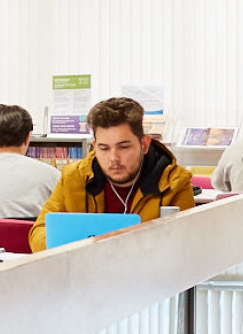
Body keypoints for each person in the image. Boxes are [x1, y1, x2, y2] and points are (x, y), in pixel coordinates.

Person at [29, 97, 196, 251]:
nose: (114, 158)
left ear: (144, 145)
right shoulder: (74, 177)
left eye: (123, 147)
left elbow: (186, 246)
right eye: (104, 148)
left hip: (147, 277)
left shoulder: (174, 182)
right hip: (85, 273)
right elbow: (39, 232)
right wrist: (73, 249)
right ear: (94, 146)